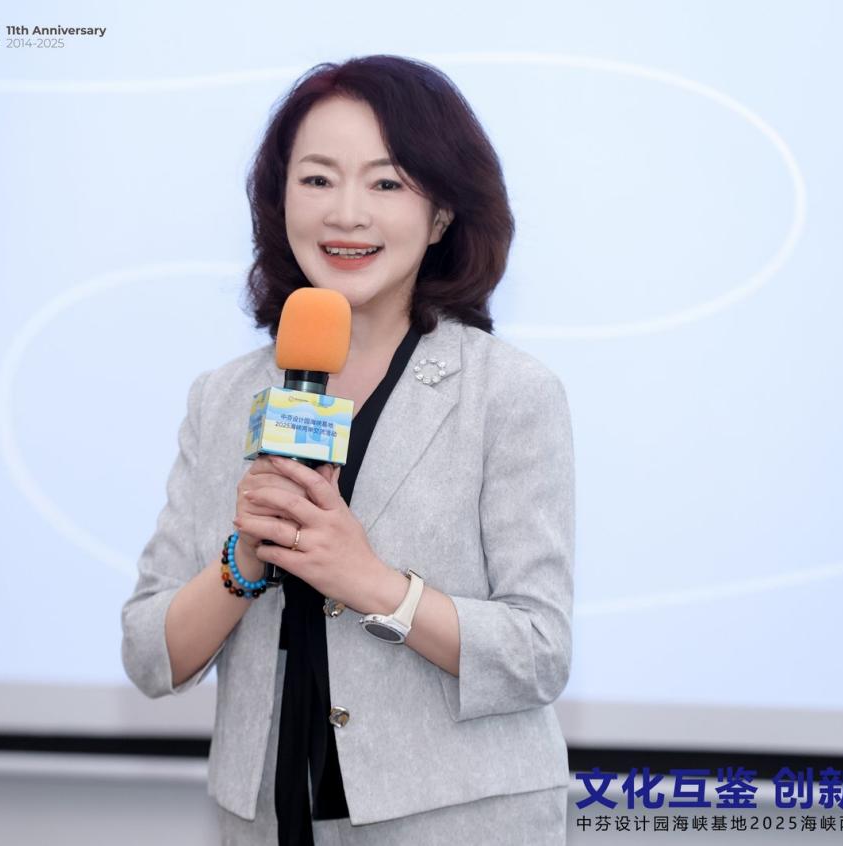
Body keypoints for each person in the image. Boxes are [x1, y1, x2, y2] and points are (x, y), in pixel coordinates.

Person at [121, 55, 575, 845]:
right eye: (317, 179)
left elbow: (539, 655)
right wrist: (243, 560)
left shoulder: (507, 393)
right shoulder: (223, 397)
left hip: (456, 824)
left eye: (386, 183)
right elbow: (149, 654)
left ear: (442, 213)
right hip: (268, 821)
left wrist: (370, 582)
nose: (346, 214)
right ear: (281, 200)